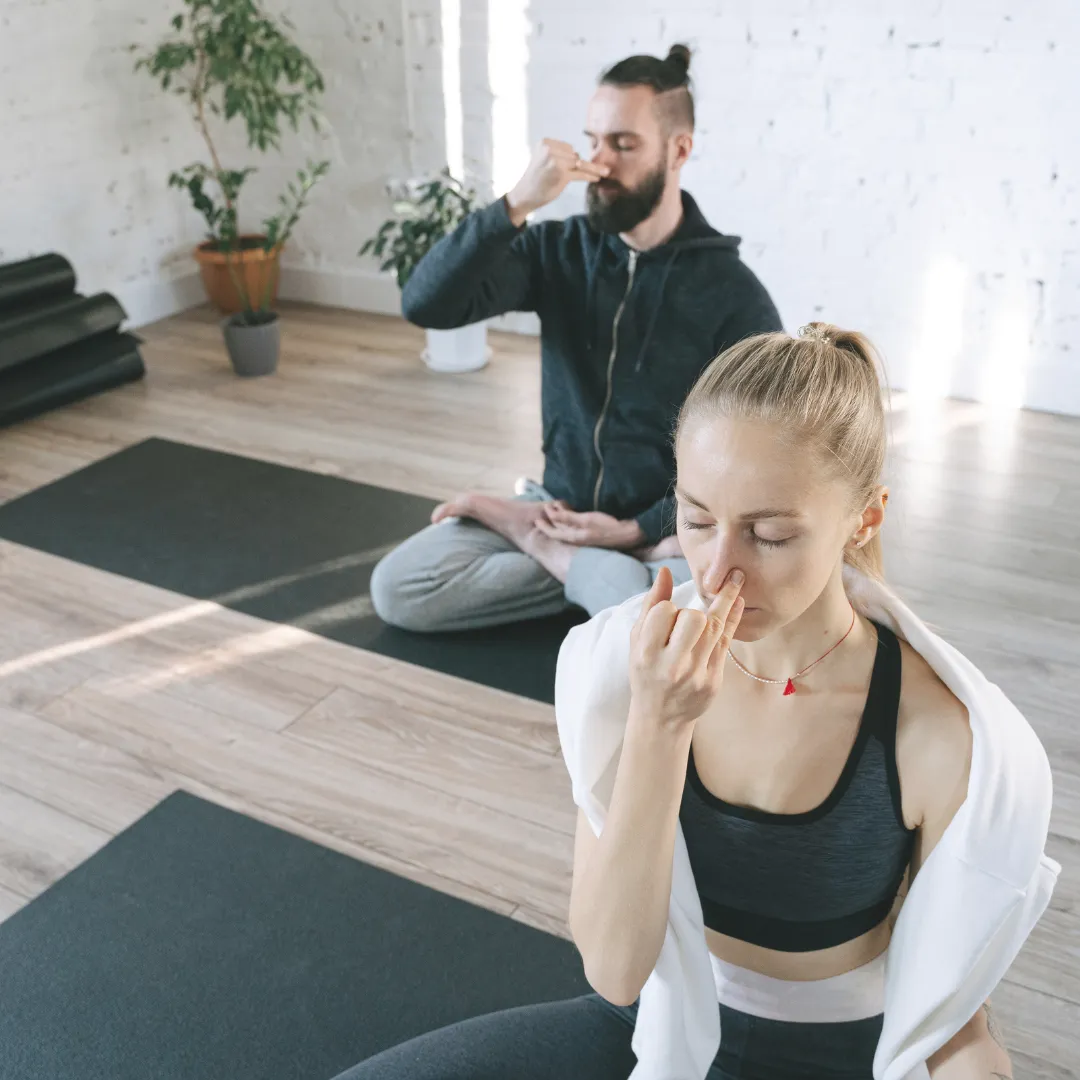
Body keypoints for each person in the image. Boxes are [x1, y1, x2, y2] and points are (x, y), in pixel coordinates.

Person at [331, 324, 1057, 1079]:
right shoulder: (622, 667)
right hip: (654, 1025)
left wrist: (974, 1059)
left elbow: (950, 996)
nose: (715, 572)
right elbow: (615, 971)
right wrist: (657, 723)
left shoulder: (938, 732)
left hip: (836, 1055)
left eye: (769, 535)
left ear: (864, 519)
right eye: (698, 520)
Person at [370, 44, 782, 632]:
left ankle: (573, 566)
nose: (599, 163)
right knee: (399, 587)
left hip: (666, 530)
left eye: (624, 144)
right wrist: (515, 204)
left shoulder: (733, 294)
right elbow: (426, 303)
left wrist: (638, 529)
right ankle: (602, 582)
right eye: (593, 141)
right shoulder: (559, 250)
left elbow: (756, 459)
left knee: (711, 601)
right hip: (556, 511)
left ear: (679, 150)